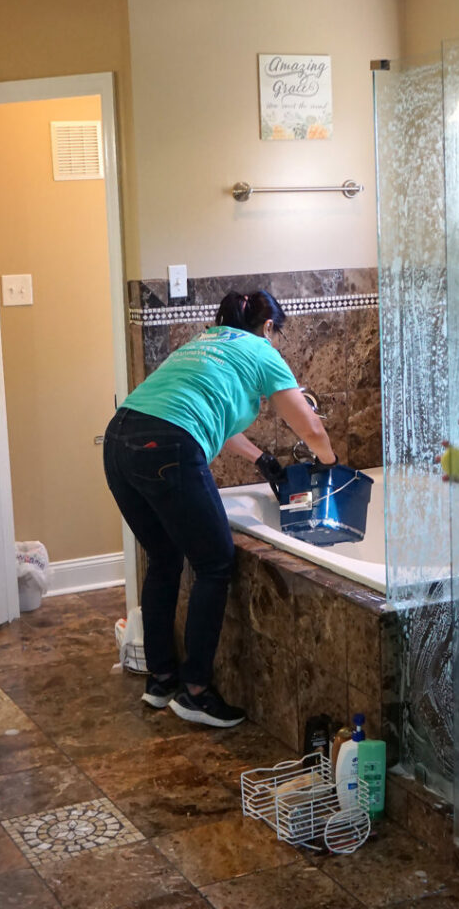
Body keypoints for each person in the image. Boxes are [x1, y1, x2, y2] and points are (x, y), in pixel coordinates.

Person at [103, 289, 337, 727]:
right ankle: (195, 692)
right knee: (214, 561)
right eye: (277, 335)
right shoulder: (261, 351)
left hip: (119, 442)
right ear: (269, 327)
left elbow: (207, 414)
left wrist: (261, 459)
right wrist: (330, 465)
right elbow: (310, 428)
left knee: (164, 557)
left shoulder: (203, 342)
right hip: (167, 446)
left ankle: (161, 680)